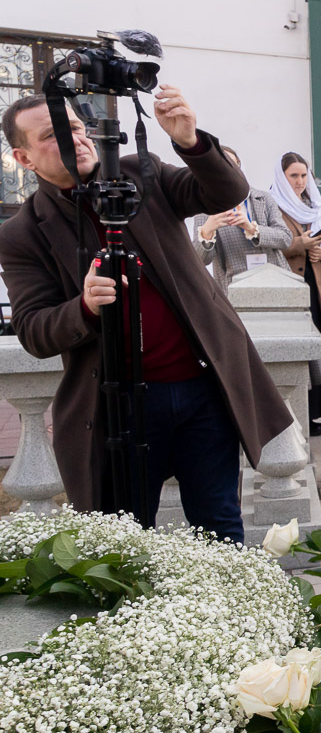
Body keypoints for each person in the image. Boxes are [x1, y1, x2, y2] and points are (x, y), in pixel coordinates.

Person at [0, 86, 292, 541]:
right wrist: (84, 307)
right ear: (24, 159)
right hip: (118, 406)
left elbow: (225, 191)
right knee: (128, 540)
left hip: (204, 388)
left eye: (75, 126)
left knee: (220, 524)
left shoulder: (140, 172)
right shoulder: (22, 233)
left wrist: (190, 141)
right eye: (52, 135)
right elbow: (33, 330)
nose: (74, 138)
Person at [269, 151, 321, 434]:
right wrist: (299, 245)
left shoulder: (314, 203)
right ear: (282, 176)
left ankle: (314, 413)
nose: (300, 181)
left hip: (318, 283)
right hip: (291, 283)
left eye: (304, 175)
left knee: (318, 345)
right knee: (298, 346)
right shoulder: (272, 203)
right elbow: (270, 243)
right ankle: (295, 414)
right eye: (294, 175)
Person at [193, 146, 292, 285]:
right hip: (234, 286)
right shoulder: (205, 208)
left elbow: (286, 238)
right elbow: (201, 260)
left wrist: (252, 229)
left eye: (233, 163)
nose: (228, 169)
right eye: (221, 164)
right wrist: (207, 231)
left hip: (275, 280)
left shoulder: (263, 198)